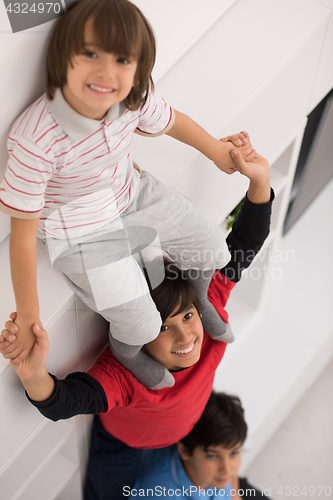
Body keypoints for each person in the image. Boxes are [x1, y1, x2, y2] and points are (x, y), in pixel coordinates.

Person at [0, 0, 257, 390]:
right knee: (141, 323)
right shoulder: (36, 138)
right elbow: (21, 237)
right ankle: (129, 351)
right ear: (62, 55)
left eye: (122, 60)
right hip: (82, 234)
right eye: (90, 54)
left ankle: (202, 302)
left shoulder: (131, 98)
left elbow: (173, 121)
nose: (106, 72)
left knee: (213, 250)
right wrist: (27, 315)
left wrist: (217, 151)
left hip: (131, 193)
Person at [1, 151, 272, 499]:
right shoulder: (125, 377)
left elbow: (244, 246)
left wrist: (260, 179)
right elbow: (67, 402)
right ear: (140, 338)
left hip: (180, 432)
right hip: (123, 444)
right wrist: (32, 374)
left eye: (187, 317)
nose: (185, 335)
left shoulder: (209, 313)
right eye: (162, 328)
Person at [129, 391, 271, 499]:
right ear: (184, 450)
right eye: (212, 456)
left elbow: (231, 473)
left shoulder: (219, 471)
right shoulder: (158, 492)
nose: (226, 469)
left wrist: (234, 495)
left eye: (234, 453)